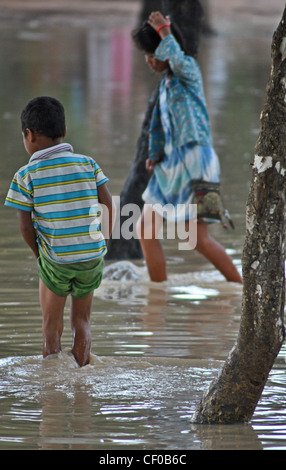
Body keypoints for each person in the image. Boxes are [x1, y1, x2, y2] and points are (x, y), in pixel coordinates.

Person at [132, 11, 242, 284]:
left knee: (197, 239)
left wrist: (164, 31)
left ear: (166, 49)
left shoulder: (189, 70)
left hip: (198, 167)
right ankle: (157, 295)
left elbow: (178, 60)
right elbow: (158, 126)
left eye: (152, 54)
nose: (148, 61)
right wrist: (154, 155)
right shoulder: (166, 87)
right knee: (145, 230)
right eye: (146, 55)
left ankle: (241, 288)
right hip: (169, 168)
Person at [5, 96, 114, 367]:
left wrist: (39, 257)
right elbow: (109, 204)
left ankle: (52, 391)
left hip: (56, 260)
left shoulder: (26, 175)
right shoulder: (88, 164)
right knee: (82, 322)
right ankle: (81, 388)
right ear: (63, 132)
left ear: (29, 135)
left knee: (50, 326)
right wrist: (103, 242)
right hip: (91, 257)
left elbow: (24, 225)